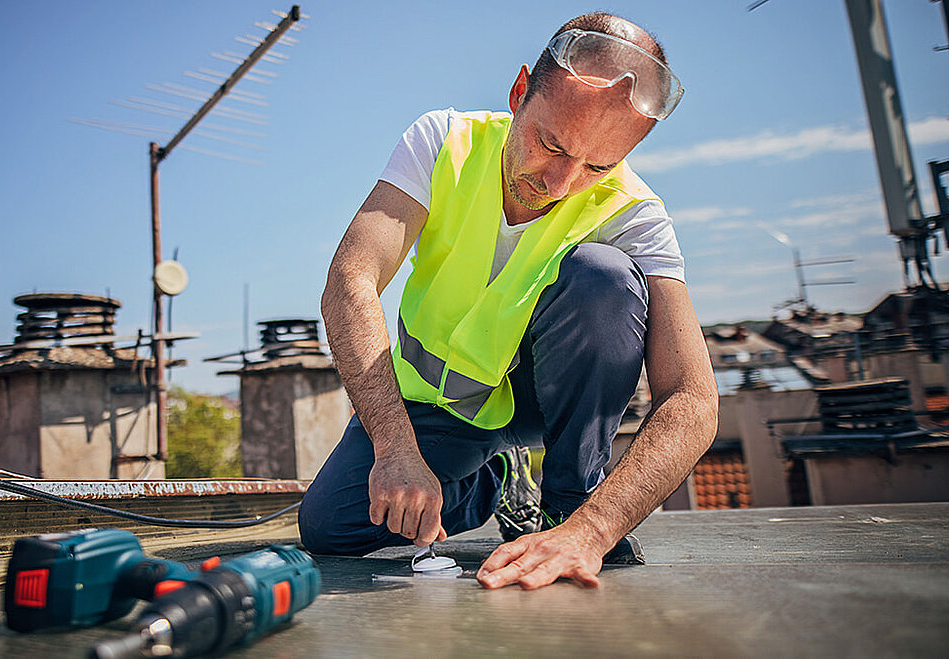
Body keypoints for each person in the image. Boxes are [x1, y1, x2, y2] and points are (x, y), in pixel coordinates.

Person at [299, 12, 718, 590]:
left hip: (543, 398)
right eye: (550, 145)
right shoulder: (444, 141)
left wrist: (594, 530)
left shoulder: (637, 215)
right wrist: (395, 447)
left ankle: (566, 505)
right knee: (330, 528)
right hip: (443, 401)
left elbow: (694, 398)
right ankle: (495, 478)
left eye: (599, 165)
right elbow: (350, 281)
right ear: (520, 91)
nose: (562, 183)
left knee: (605, 276)